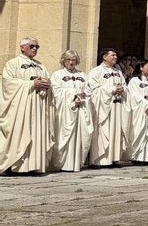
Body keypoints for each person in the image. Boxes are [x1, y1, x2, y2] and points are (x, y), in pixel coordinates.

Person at [0, 38, 54, 174]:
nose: (35, 48)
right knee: (22, 132)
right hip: (22, 107)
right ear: (22, 47)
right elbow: (7, 83)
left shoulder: (41, 65)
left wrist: (47, 85)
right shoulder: (13, 63)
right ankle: (17, 166)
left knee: (36, 132)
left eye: (37, 46)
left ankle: (33, 166)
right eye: (32, 46)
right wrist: (31, 84)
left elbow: (48, 81)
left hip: (39, 105)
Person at [50, 50, 91, 173]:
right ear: (63, 60)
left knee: (82, 136)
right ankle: (62, 163)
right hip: (66, 111)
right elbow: (56, 92)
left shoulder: (83, 75)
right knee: (64, 136)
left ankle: (76, 163)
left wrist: (83, 97)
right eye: (68, 59)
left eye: (73, 59)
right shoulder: (57, 75)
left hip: (81, 110)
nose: (71, 62)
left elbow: (89, 90)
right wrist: (74, 94)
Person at [88, 48, 127, 167]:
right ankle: (100, 159)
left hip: (116, 106)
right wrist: (112, 89)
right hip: (103, 107)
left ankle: (114, 158)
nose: (115, 57)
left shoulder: (118, 72)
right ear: (104, 57)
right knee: (103, 131)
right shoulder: (96, 71)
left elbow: (125, 86)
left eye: (115, 55)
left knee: (115, 130)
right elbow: (93, 89)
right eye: (113, 55)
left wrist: (123, 89)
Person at [125, 59, 148, 164]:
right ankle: (137, 157)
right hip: (141, 111)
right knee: (139, 132)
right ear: (141, 67)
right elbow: (133, 96)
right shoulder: (134, 81)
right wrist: (146, 104)